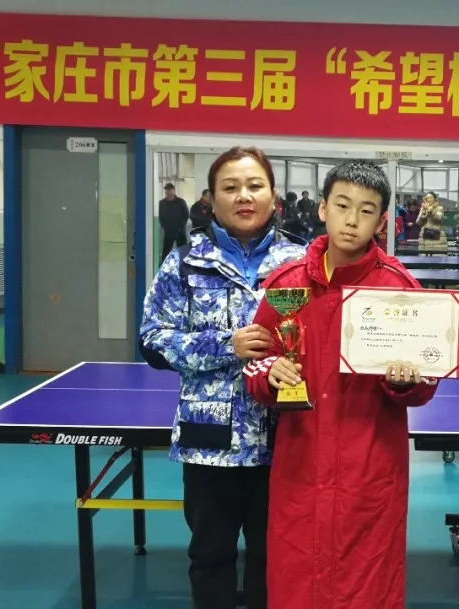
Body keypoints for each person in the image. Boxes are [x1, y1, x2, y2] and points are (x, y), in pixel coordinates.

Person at [243, 160, 440, 609]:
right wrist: (270, 373)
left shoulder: (400, 289)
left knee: (367, 587)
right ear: (322, 209)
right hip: (301, 467)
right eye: (342, 206)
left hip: (370, 473)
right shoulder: (285, 286)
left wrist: (406, 383)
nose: (352, 220)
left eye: (366, 211)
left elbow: (428, 377)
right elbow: (255, 363)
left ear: (382, 221)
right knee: (296, 585)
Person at [139, 146, 306, 609]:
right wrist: (224, 345)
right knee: (210, 556)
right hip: (209, 439)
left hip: (287, 437)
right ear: (211, 200)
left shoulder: (303, 263)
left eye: (255, 186)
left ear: (274, 196)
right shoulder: (184, 262)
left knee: (275, 558)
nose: (244, 196)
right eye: (230, 188)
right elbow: (152, 341)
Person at [158, 182, 189, 262]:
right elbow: (160, 215)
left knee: (183, 250)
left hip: (180, 230)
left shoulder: (181, 202)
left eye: (170, 191)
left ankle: (184, 265)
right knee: (166, 250)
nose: (168, 194)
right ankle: (164, 264)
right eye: (167, 192)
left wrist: (181, 225)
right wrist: (163, 225)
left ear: (174, 191)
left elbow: (186, 214)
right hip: (168, 231)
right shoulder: (162, 203)